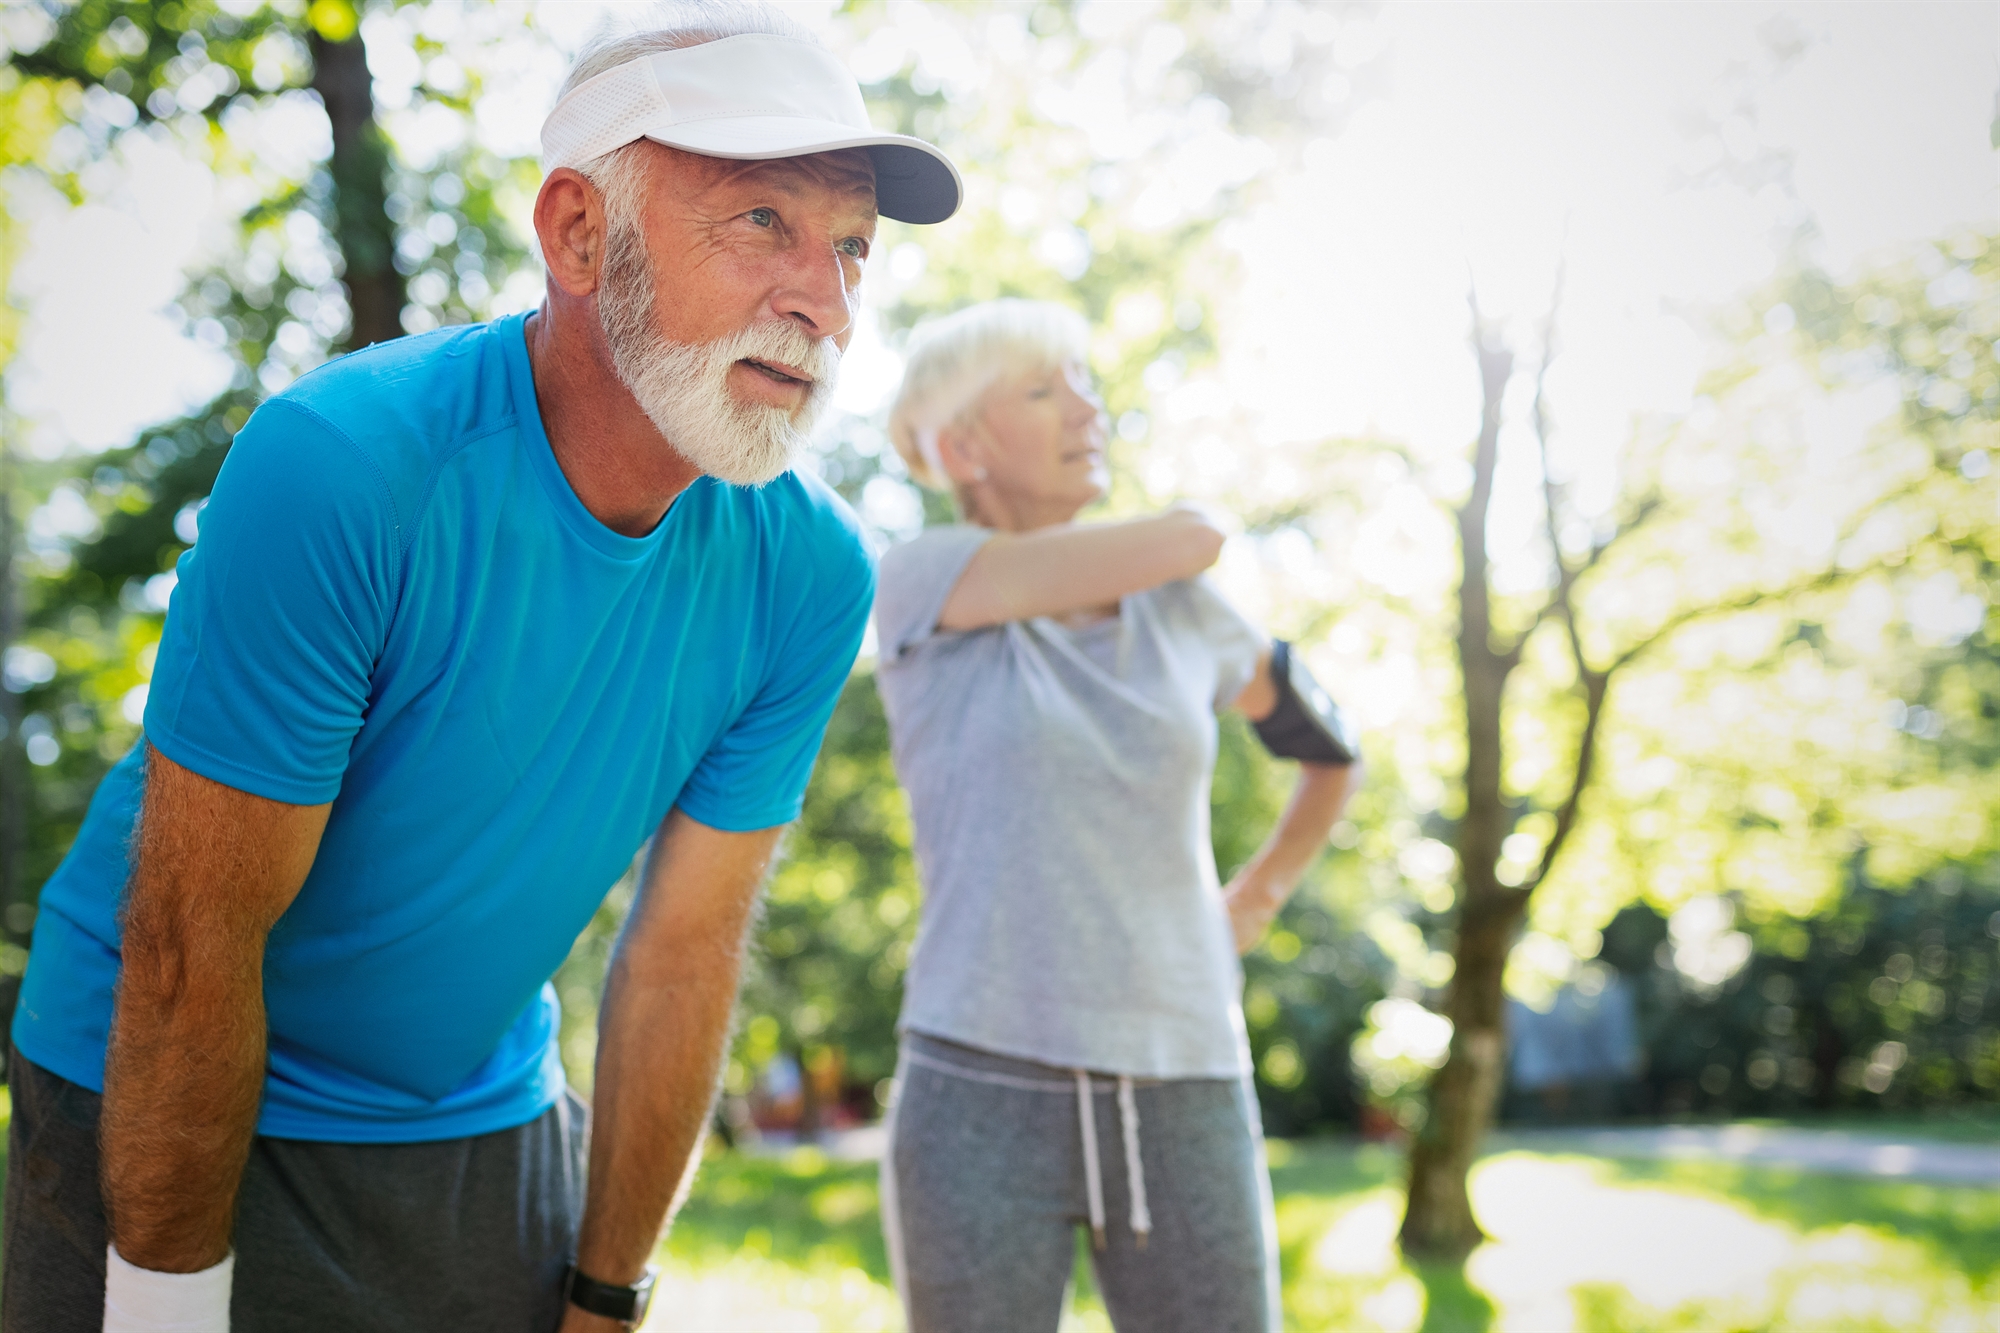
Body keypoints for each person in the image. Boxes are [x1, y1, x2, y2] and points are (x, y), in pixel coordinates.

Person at [2, 6, 961, 1331]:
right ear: (577, 232)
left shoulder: (809, 573)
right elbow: (190, 945)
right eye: (761, 222)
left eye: (853, 247)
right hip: (154, 1072)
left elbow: (683, 955)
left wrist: (608, 1294)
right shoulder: (344, 465)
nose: (827, 300)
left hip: (477, 1109)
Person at [872, 299, 1361, 1333]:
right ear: (960, 445)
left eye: (1084, 384)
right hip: (977, 1080)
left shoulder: (1185, 610)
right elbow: (1190, 532)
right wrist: (1196, 533)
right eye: (1045, 391)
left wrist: (1254, 897)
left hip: (1183, 1073)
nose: (1086, 410)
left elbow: (1327, 753)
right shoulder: (923, 582)